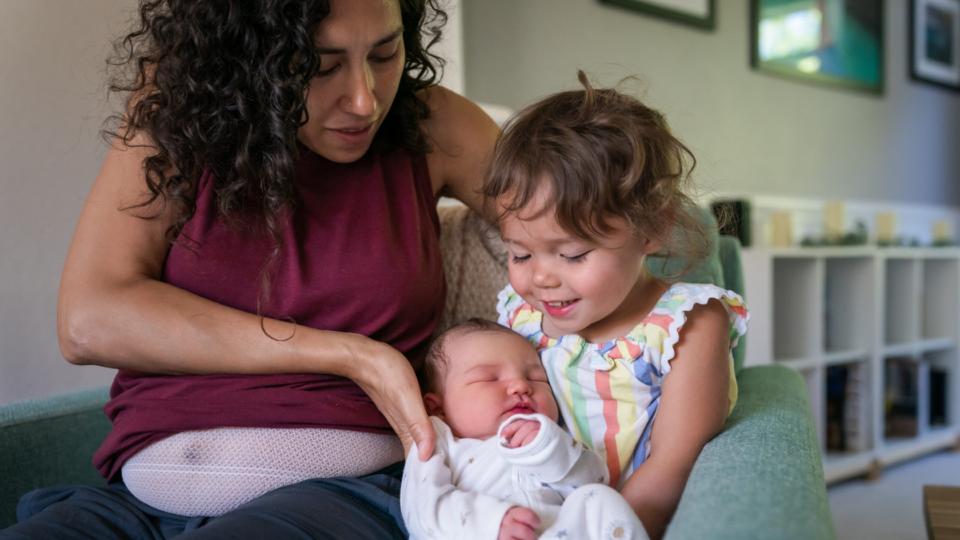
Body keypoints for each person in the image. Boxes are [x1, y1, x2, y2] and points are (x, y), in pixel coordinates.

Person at [2, 0, 498, 538]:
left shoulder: (434, 125)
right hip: (132, 506)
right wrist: (352, 355)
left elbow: (583, 231)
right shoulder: (180, 116)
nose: (363, 99)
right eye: (320, 66)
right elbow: (88, 320)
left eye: (385, 53)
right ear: (249, 55)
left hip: (342, 495)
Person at [483, 72, 749, 539]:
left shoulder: (686, 326)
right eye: (519, 253)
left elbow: (671, 469)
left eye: (572, 254)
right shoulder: (519, 314)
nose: (541, 278)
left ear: (652, 228)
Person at [400, 318, 647, 540]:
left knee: (599, 500)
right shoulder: (439, 440)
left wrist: (549, 449)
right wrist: (491, 523)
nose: (521, 386)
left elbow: (595, 479)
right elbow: (421, 508)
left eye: (536, 379)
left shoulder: (552, 439)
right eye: (489, 379)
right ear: (438, 408)